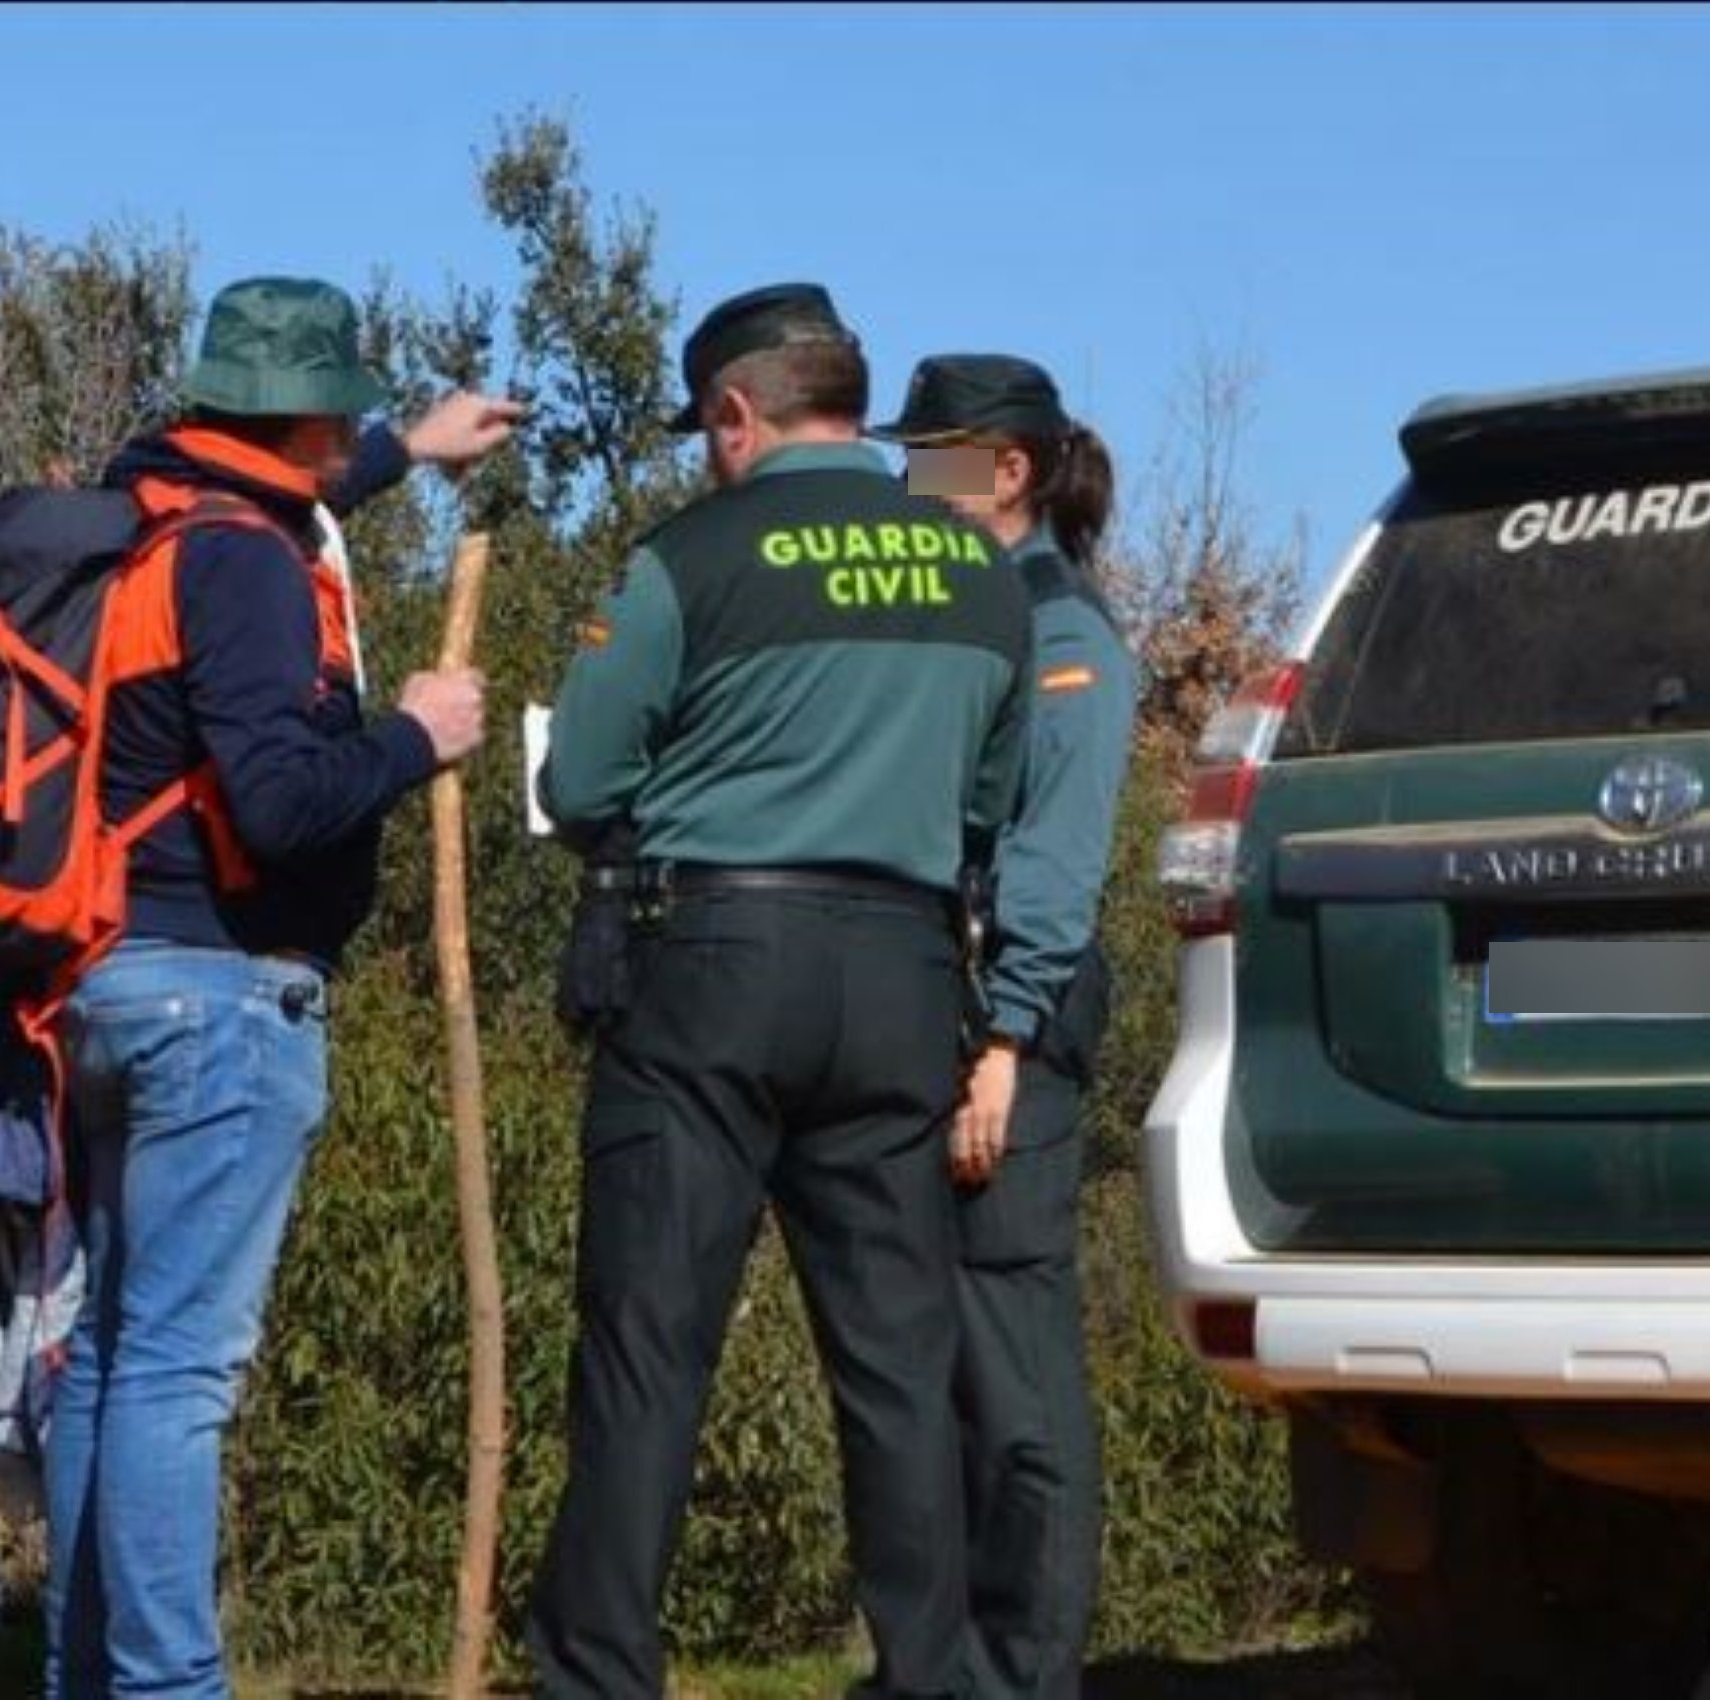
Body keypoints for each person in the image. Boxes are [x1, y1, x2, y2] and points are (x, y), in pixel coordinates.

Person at [527, 283, 1032, 1700]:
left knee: (645, 1354)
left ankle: (601, 1676)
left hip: (708, 968)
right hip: (902, 972)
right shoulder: (978, 573)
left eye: (707, 428)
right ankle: (926, 1673)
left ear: (736, 415)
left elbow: (580, 781)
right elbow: (991, 794)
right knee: (895, 1363)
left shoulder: (687, 556)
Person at [42, 275, 522, 1698]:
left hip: (110, 986)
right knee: (177, 1378)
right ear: (309, 411)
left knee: (114, 1362)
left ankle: (85, 1682)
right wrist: (413, 738)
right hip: (220, 1004)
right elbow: (277, 798)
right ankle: (170, 1688)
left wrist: (413, 454)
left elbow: (266, 515)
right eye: (349, 416)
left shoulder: (149, 515)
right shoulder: (246, 563)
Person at [875, 354, 1139, 1699]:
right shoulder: (953, 614)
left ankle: (1025, 1675)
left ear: (1007, 471)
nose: (903, 480)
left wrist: (1005, 1042)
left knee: (1013, 1386)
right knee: (932, 1375)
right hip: (929, 1011)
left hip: (1004, 1033)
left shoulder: (1062, 635)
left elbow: (1050, 859)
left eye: (927, 456)